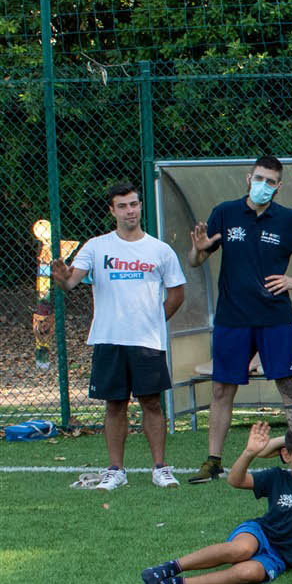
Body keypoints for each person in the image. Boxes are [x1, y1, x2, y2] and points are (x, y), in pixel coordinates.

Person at [185, 155, 292, 483]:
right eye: (259, 178)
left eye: (270, 182)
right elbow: (196, 260)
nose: (263, 186)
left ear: (279, 186)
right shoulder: (225, 213)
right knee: (222, 389)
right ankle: (213, 461)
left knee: (290, 388)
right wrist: (197, 250)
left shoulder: (289, 220)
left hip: (274, 317)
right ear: (247, 177)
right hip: (232, 318)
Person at [50, 181, 185, 490]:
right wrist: (60, 279)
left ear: (140, 207)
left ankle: (160, 469)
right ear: (112, 210)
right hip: (109, 338)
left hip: (147, 341)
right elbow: (71, 282)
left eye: (134, 204)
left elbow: (177, 294)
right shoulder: (96, 246)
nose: (130, 211)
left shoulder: (160, 250)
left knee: (152, 403)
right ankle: (115, 471)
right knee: (114, 405)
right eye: (122, 206)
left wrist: (152, 321)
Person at [141, 422, 292, 584]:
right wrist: (249, 452)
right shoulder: (276, 477)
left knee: (249, 573)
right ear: (286, 455)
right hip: (260, 533)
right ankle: (168, 569)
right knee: (241, 550)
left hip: (282, 556)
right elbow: (235, 480)